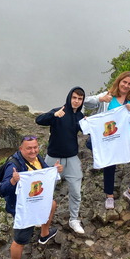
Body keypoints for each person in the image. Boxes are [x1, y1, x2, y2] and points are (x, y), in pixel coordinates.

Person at [0, 135, 63, 259]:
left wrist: (54, 170)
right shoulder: (13, 165)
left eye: (35, 147)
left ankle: (44, 234)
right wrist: (13, 180)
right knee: (20, 240)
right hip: (23, 207)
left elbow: (44, 172)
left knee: (52, 204)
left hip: (36, 200)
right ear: (21, 149)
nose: (33, 151)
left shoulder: (37, 158)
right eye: (29, 148)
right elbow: (2, 190)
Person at [84, 72, 130, 210]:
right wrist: (101, 99)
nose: (126, 85)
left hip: (129, 138)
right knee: (109, 165)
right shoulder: (108, 95)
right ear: (118, 81)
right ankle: (109, 196)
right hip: (109, 138)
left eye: (129, 83)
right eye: (124, 82)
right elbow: (86, 102)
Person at [35, 87, 86, 234]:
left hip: (72, 159)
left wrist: (88, 123)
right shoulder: (59, 111)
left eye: (79, 99)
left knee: (76, 191)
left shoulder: (80, 116)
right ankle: (41, 216)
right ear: (69, 97)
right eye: (74, 98)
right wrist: (53, 115)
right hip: (53, 158)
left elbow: (89, 131)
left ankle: (74, 219)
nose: (76, 101)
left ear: (82, 101)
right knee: (47, 190)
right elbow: (39, 120)